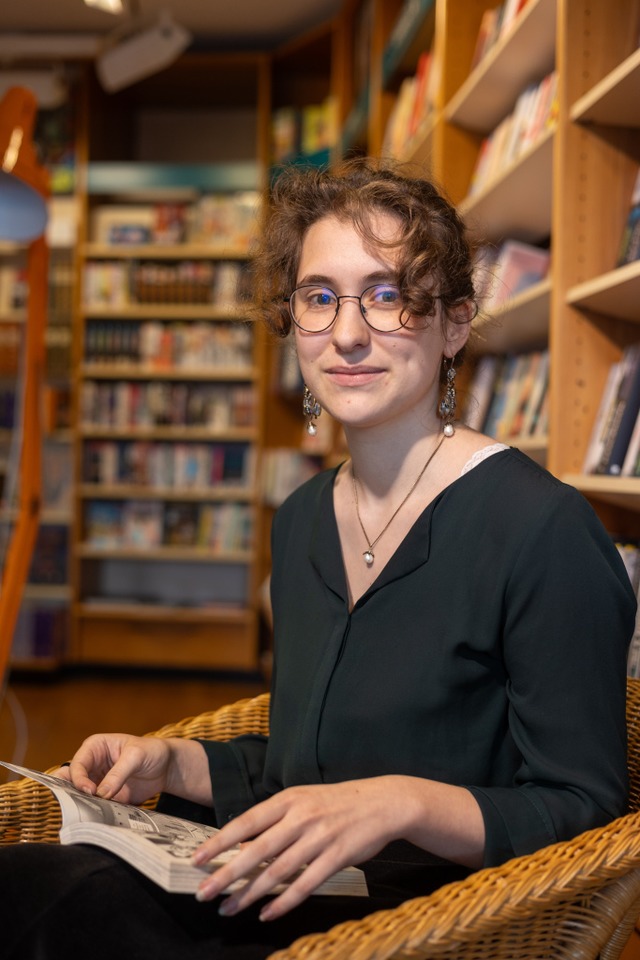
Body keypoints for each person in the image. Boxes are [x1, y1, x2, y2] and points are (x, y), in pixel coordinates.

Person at [2, 157, 636, 958]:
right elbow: (307, 764)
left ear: (454, 324)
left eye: (388, 295)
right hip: (278, 883)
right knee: (32, 883)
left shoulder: (542, 528)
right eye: (319, 297)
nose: (346, 332)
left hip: (431, 926)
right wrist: (170, 761)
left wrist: (400, 804)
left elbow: (585, 812)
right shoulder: (302, 518)